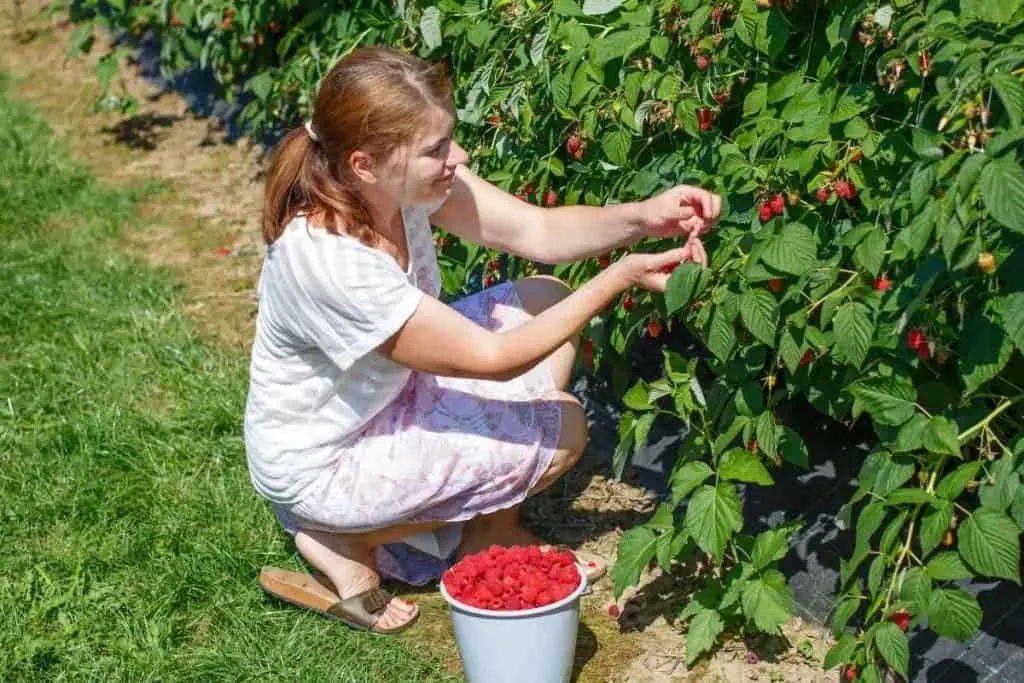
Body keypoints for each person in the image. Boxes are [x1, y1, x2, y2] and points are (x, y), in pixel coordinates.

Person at [245, 45, 720, 634]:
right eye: (437, 149)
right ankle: (343, 536)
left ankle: (485, 533)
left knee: (545, 297)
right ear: (365, 164)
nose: (459, 157)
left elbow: (538, 231)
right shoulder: (331, 260)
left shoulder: (398, 188)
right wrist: (619, 277)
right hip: (326, 461)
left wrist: (644, 216)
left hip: (385, 401)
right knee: (564, 427)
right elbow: (491, 361)